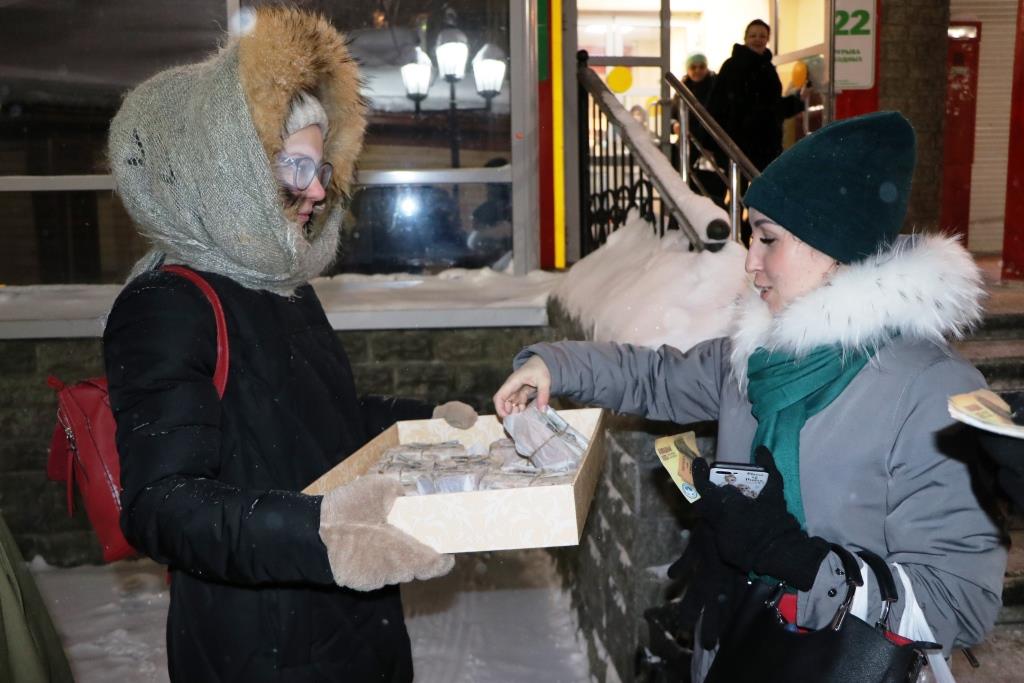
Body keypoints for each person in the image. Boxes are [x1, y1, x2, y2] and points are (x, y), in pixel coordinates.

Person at [493, 112, 1006, 681]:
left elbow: (959, 602)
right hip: (735, 648)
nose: (749, 260)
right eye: (750, 237)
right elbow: (657, 377)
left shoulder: (932, 391)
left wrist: (799, 562)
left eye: (768, 238)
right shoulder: (758, 353)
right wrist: (554, 364)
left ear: (834, 247)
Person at [103, 7, 473, 681]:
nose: (318, 190)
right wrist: (318, 533)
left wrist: (426, 424)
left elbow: (316, 425)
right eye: (294, 165)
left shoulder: (282, 285)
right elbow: (163, 505)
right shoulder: (166, 305)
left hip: (349, 620)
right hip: (261, 646)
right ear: (223, 169)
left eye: (321, 166)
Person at [708, 19, 806, 242]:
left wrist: (796, 103)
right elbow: (716, 105)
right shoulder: (732, 66)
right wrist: (713, 143)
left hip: (765, 144)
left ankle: (753, 236)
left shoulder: (768, 67)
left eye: (762, 35)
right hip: (738, 143)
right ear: (745, 38)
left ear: (768, 39)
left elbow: (772, 108)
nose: (757, 39)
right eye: (753, 35)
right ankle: (739, 237)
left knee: (761, 194)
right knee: (739, 194)